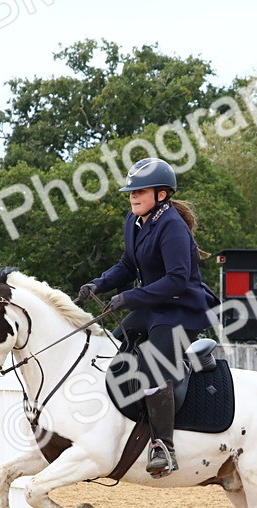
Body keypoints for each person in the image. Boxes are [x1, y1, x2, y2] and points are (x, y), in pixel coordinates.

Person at [75, 157, 219, 478]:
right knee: (116, 346)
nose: (133, 197)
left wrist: (130, 297)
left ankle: (163, 446)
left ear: (162, 195)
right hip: (154, 306)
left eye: (140, 192)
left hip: (183, 308)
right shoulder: (134, 220)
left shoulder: (172, 227)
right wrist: (98, 283)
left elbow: (177, 279)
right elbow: (128, 265)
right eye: (131, 192)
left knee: (154, 366)